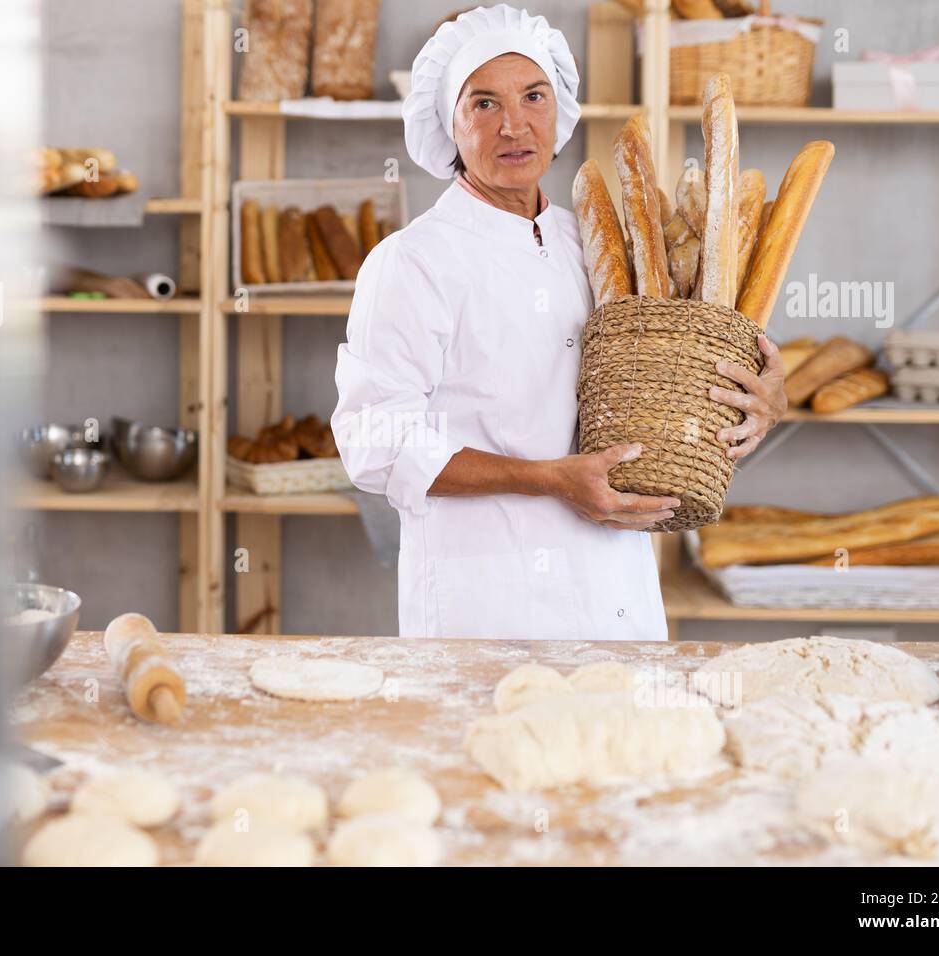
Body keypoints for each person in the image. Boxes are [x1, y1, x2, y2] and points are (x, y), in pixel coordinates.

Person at [332, 4, 786, 640]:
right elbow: (373, 441)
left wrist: (756, 399)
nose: (514, 125)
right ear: (450, 125)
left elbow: (676, 380)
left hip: (617, 593)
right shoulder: (414, 262)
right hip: (487, 607)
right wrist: (547, 479)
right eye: (483, 104)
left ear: (559, 109)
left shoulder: (601, 243)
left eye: (533, 96)